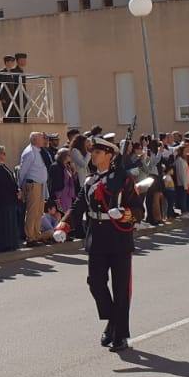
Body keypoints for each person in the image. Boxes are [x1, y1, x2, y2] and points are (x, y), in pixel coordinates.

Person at [63, 135, 145, 351]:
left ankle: (120, 335)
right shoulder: (90, 181)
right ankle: (113, 320)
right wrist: (63, 225)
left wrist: (125, 213)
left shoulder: (124, 179)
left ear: (109, 155)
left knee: (120, 289)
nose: (93, 155)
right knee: (95, 282)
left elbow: (139, 211)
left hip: (119, 238)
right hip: (97, 237)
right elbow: (78, 206)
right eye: (93, 152)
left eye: (98, 152)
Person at [18, 132, 50, 245]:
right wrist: (20, 187)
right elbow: (22, 171)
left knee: (39, 212)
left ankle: (37, 234)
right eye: (42, 138)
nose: (44, 140)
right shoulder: (30, 152)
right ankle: (30, 237)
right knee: (32, 211)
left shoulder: (38, 150)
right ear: (35, 139)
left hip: (41, 185)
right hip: (33, 185)